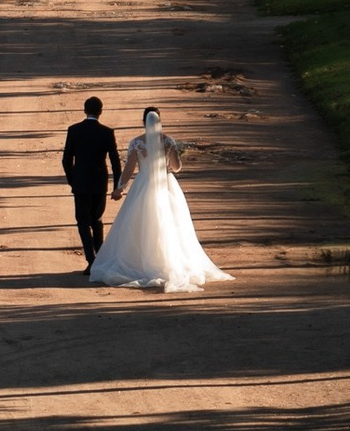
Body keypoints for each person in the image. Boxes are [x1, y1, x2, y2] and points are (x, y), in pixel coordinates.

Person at [88, 108, 230, 294]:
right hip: (166, 186)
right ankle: (170, 262)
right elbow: (177, 167)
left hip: (144, 186)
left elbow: (129, 169)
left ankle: (141, 262)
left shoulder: (137, 143)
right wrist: (169, 164)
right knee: (172, 225)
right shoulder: (168, 141)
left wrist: (120, 188)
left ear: (143, 122)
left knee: (140, 224)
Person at [59, 97, 121, 271]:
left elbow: (66, 160)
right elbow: (115, 161)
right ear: (100, 111)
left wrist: (73, 180)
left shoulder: (74, 130)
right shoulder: (107, 132)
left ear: (84, 110)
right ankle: (99, 258)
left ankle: (91, 259)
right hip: (99, 182)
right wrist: (118, 185)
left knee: (82, 221)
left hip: (80, 183)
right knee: (97, 220)